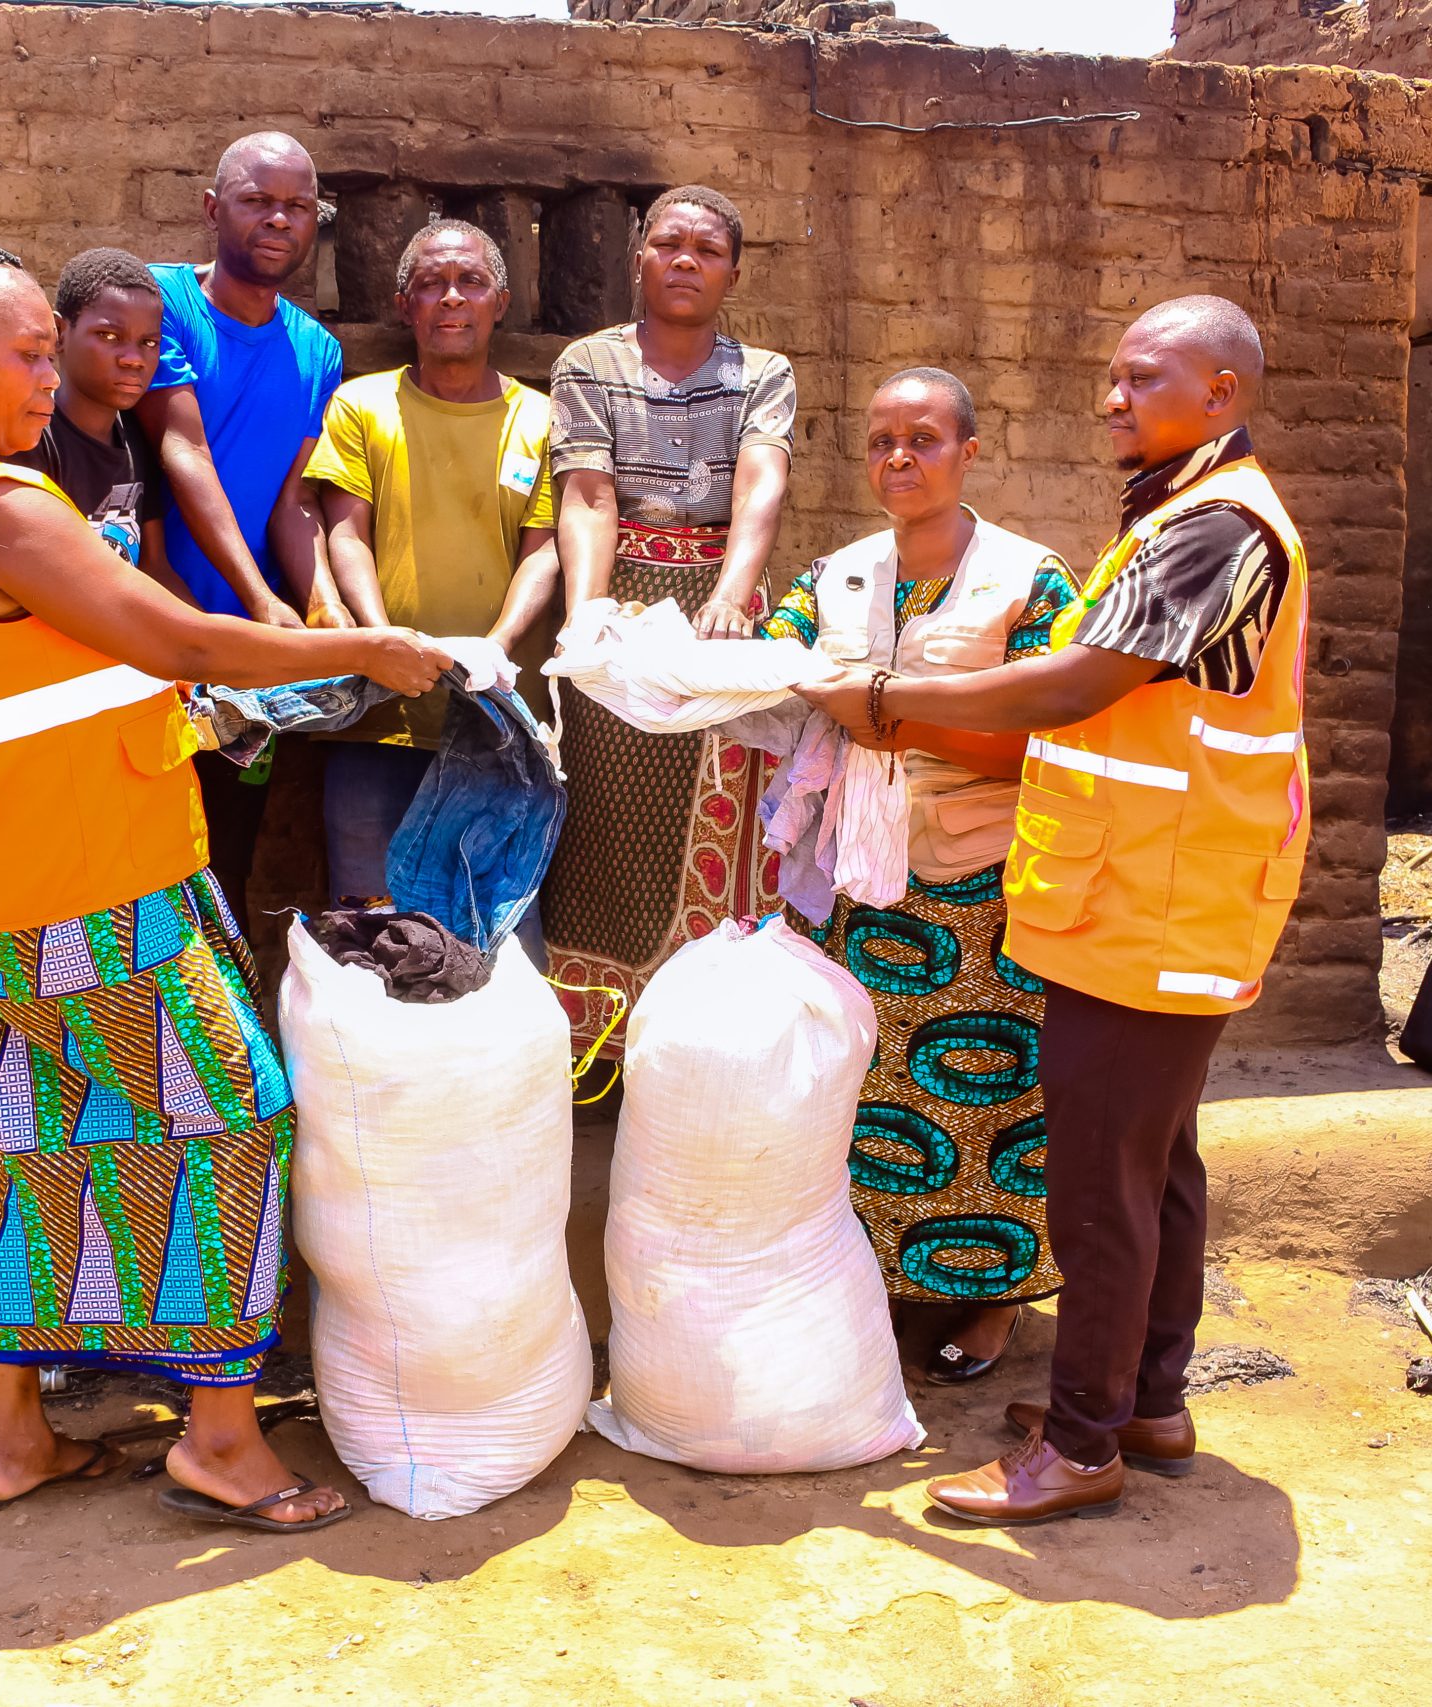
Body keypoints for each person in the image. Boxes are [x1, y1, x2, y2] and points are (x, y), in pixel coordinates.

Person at [0, 233, 450, 1530]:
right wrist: (366, 647)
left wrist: (209, 707)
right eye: (30, 351)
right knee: (231, 1117)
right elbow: (168, 630)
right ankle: (219, 1434)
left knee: (21, 1138)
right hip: (88, 895)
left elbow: (57, 677)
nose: (51, 378)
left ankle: (17, 1431)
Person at [802, 295, 1311, 1526]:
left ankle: (1080, 1447)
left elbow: (1081, 683)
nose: (1111, 400)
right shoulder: (1182, 515)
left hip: (1157, 902)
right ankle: (1143, 1400)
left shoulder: (1218, 526)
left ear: (1221, 391)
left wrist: (885, 696)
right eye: (1115, 379)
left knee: (1102, 1185)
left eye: (1142, 378)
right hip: (1142, 893)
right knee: (1156, 1166)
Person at [761, 367, 1079, 1388]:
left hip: (982, 884)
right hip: (859, 888)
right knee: (866, 1090)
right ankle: (882, 1286)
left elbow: (1049, 743)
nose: (900, 459)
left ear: (969, 453)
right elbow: (770, 674)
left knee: (987, 1096)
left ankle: (988, 1301)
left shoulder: (1031, 582)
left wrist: (896, 717)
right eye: (882, 441)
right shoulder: (836, 577)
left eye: (925, 440)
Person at [539, 184, 798, 1050]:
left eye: (707, 250)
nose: (685, 260)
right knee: (601, 818)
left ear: (732, 272)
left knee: (719, 810)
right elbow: (586, 491)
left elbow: (761, 483)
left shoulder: (763, 373)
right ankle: (596, 1040)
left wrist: (730, 595)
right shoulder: (589, 363)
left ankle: (697, 1040)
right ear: (639, 257)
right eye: (668, 243)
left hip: (720, 609)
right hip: (622, 606)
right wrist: (585, 620)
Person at [304, 218, 561, 951]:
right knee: (370, 935)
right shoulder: (363, 405)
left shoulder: (540, 420)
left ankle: (506, 1070)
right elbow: (344, 531)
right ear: (403, 304)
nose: (451, 298)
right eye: (431, 285)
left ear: (501, 301)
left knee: (501, 939)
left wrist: (498, 645)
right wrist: (385, 640)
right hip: (377, 713)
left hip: (496, 722)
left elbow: (542, 553)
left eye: (470, 282)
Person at [137, 132, 353, 932]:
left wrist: (321, 601)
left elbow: (292, 502)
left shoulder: (316, 349)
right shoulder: (157, 302)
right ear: (212, 208)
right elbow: (182, 447)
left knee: (226, 848)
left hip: (249, 682)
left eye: (297, 206)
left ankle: (208, 1041)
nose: (278, 219)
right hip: (150, 640)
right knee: (143, 856)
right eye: (257, 200)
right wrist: (262, 602)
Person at [9, 247, 185, 602]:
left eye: (149, 342)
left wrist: (210, 639)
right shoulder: (28, 443)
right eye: (109, 336)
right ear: (59, 332)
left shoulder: (135, 437)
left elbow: (154, 569)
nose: (134, 359)